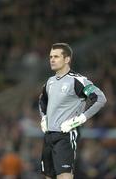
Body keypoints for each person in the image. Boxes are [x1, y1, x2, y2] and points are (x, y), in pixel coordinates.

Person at [39, 43, 107, 179]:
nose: (52, 59)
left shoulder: (77, 80)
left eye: (56, 56)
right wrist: (44, 117)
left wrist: (81, 119)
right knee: (48, 176)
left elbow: (100, 98)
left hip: (65, 136)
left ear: (67, 59)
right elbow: (42, 100)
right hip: (48, 136)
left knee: (64, 176)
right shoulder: (50, 82)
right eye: (51, 56)